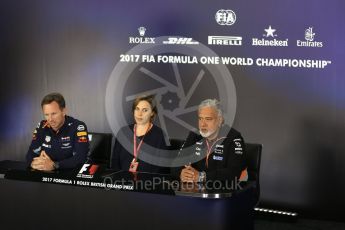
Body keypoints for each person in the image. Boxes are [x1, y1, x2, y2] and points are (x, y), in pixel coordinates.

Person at [174, 99, 246, 183]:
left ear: (220, 120)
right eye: (200, 119)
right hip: (196, 191)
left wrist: (202, 177)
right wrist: (181, 173)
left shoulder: (234, 138)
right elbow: (176, 163)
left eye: (208, 119)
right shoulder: (194, 135)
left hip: (225, 190)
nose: (202, 124)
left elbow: (233, 173)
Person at [26, 93, 89, 171]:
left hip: (70, 175)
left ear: (63, 111)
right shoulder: (42, 126)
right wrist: (34, 163)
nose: (50, 119)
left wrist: (54, 165)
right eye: (46, 114)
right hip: (46, 174)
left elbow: (80, 158)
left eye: (53, 114)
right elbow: (30, 154)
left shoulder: (78, 127)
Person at [111, 95, 167, 174]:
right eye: (137, 109)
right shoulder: (123, 132)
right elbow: (115, 162)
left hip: (147, 184)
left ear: (152, 113)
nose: (139, 114)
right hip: (123, 182)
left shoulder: (159, 135)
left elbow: (161, 168)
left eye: (145, 110)